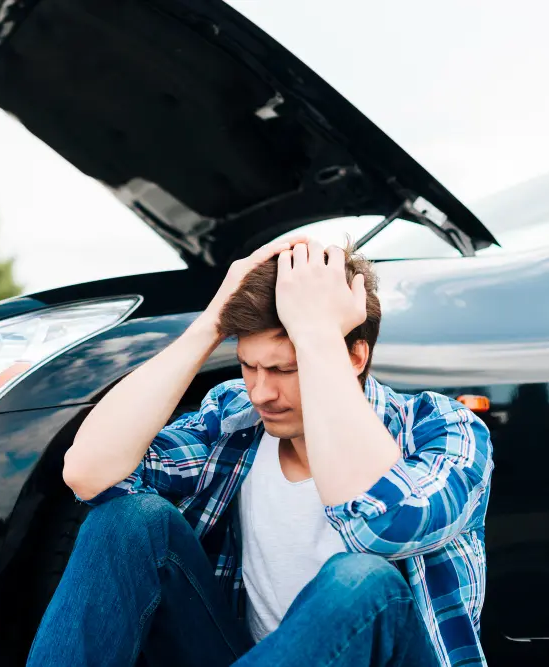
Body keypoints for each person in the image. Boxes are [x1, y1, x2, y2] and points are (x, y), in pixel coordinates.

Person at [27, 239, 494, 667]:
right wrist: (211, 323)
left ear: (354, 356)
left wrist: (315, 337)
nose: (261, 392)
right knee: (128, 521)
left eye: (285, 368)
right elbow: (89, 473)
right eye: (249, 366)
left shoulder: (443, 429)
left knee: (361, 580)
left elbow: (377, 526)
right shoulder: (237, 424)